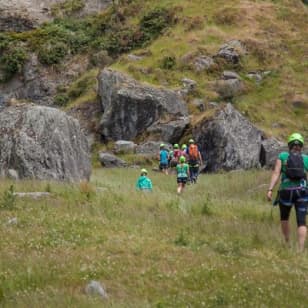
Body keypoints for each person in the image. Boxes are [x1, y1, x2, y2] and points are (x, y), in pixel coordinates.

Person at [267, 133, 308, 252]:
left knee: (284, 218)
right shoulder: (305, 158)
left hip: (286, 192)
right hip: (302, 192)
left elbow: (276, 173)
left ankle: (287, 244)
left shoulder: (283, 156)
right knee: (301, 222)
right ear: (301, 145)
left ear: (289, 144)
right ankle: (300, 250)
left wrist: (270, 189)